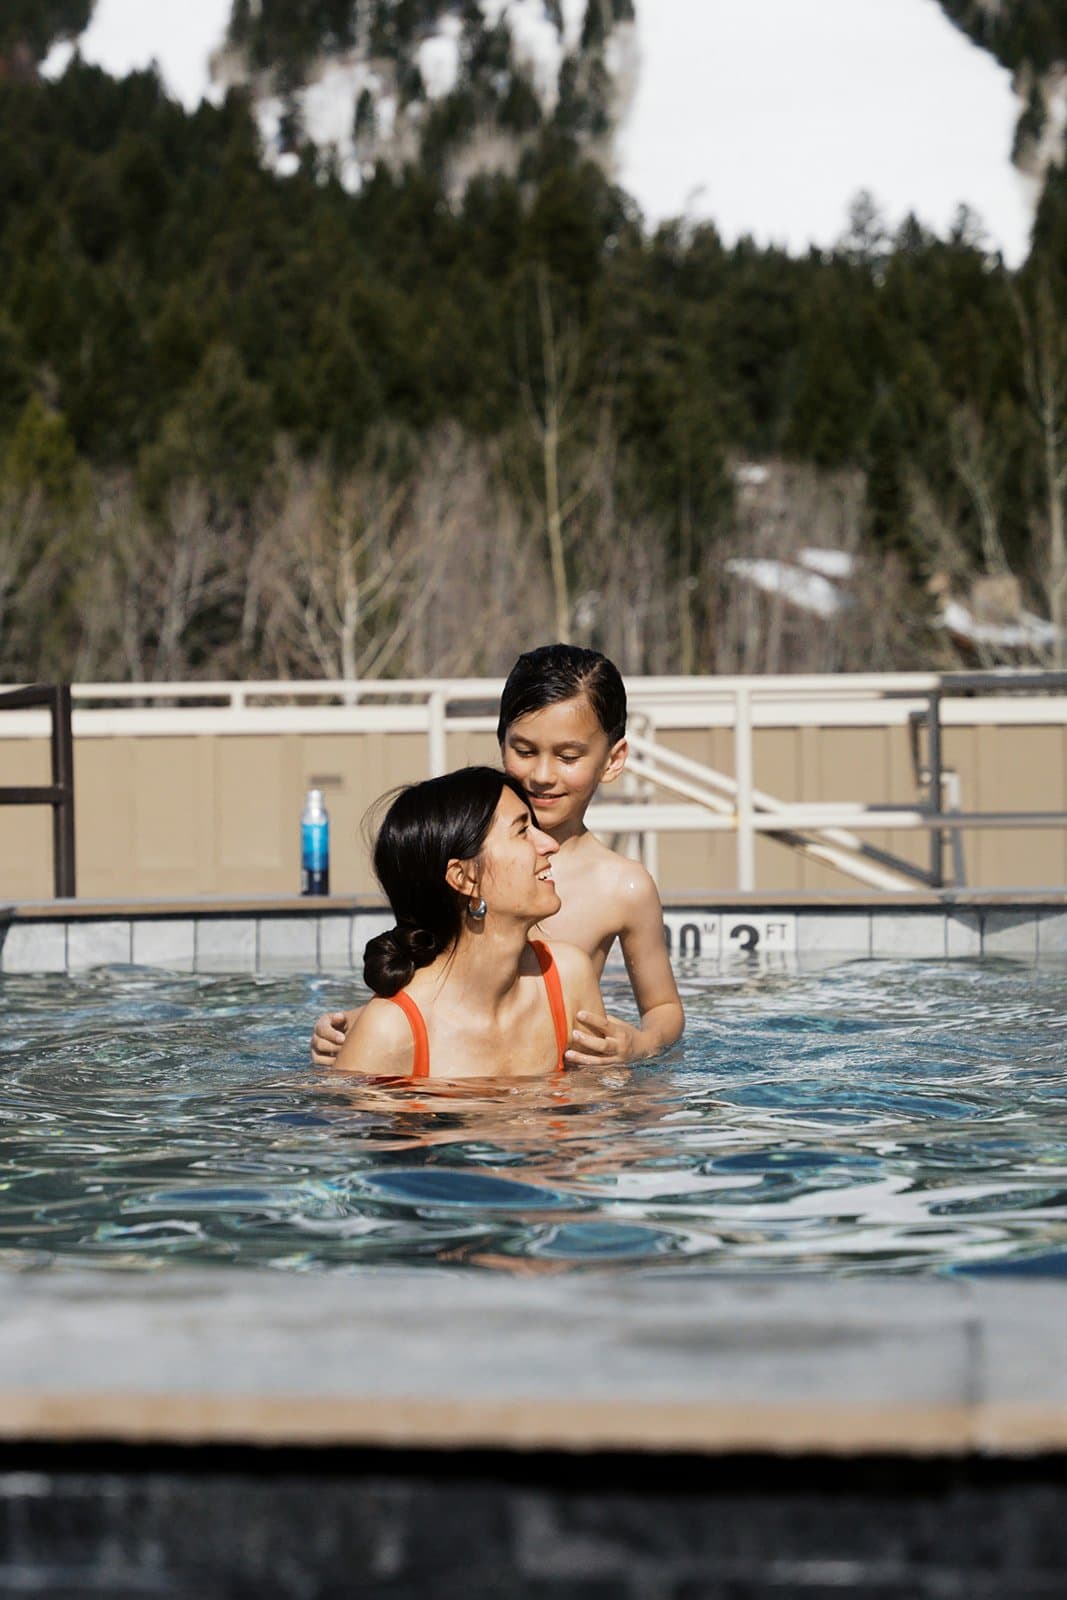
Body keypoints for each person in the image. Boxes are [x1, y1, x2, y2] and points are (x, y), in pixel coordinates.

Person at [312, 644, 684, 1068]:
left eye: (567, 756)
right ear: (501, 740)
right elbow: (436, 973)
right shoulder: (466, 851)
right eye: (524, 751)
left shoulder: (622, 887)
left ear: (613, 759)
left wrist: (640, 1044)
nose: (542, 775)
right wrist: (362, 1025)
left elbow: (663, 1008)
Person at [331, 766, 604, 1080]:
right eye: (522, 830)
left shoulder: (568, 978)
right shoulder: (390, 1031)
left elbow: (601, 1119)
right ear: (464, 878)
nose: (549, 844)